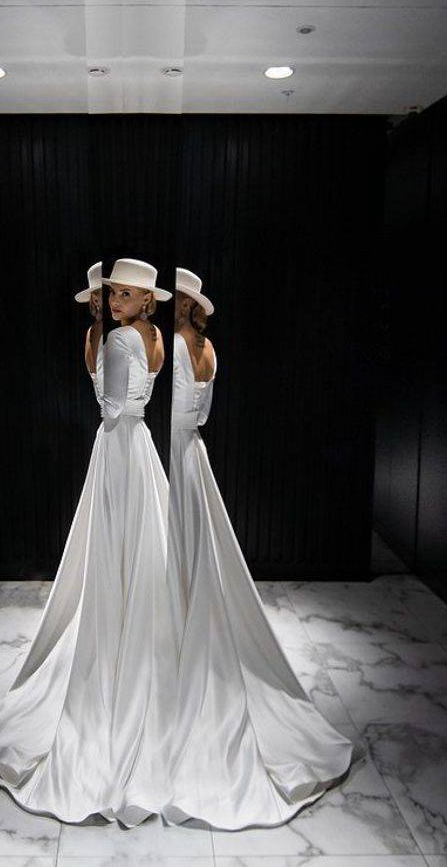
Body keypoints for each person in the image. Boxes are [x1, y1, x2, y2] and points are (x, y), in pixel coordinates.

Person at [0, 257, 180, 828]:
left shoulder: (120, 339)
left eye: (123, 295)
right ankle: (136, 638)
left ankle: (116, 649)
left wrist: (101, 357)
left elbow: (110, 407)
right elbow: (134, 399)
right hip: (139, 447)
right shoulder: (151, 337)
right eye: (109, 295)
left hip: (118, 446)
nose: (114, 303)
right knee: (141, 545)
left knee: (118, 543)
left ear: (145, 300)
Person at [165, 266, 366, 830]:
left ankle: (183, 634)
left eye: (175, 301)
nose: (169, 307)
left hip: (179, 451)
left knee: (187, 541)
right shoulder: (209, 349)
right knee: (199, 540)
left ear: (186, 306)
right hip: (194, 450)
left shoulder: (177, 346)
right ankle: (187, 617)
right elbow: (199, 411)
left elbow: (172, 408)